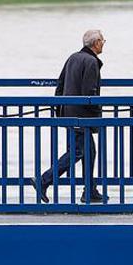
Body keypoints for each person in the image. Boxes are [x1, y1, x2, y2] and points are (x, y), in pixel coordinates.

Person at [35, 29, 105, 205]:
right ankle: (44, 180)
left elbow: (60, 85)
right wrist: (99, 112)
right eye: (103, 40)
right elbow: (89, 94)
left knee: (89, 151)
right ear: (96, 43)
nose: (103, 43)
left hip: (70, 113)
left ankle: (90, 190)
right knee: (78, 151)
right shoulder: (91, 62)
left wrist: (61, 111)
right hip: (82, 117)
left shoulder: (73, 57)